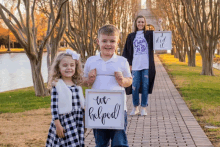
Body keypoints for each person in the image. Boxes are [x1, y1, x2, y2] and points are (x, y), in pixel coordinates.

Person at [83, 24, 132, 147]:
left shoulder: (122, 61)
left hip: (118, 109)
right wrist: (89, 79)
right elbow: (83, 82)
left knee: (119, 143)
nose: (108, 44)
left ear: (118, 42)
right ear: (98, 41)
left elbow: (130, 81)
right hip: (98, 110)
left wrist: (122, 81)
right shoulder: (91, 60)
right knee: (101, 143)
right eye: (104, 41)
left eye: (112, 41)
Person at [46, 49, 85, 147]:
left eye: (72, 65)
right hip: (64, 123)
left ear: (76, 67)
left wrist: (84, 122)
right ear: (58, 68)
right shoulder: (57, 85)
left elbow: (82, 107)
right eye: (65, 65)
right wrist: (58, 125)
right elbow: (54, 108)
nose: (69, 68)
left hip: (77, 122)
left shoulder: (77, 86)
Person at [122, 15, 156, 116]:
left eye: (142, 22)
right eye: (139, 22)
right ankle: (135, 107)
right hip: (135, 66)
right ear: (136, 24)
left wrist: (160, 24)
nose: (140, 24)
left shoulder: (149, 34)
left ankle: (144, 108)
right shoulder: (131, 36)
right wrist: (129, 65)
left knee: (145, 86)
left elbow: (161, 37)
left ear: (145, 23)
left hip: (146, 66)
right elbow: (126, 51)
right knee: (134, 86)